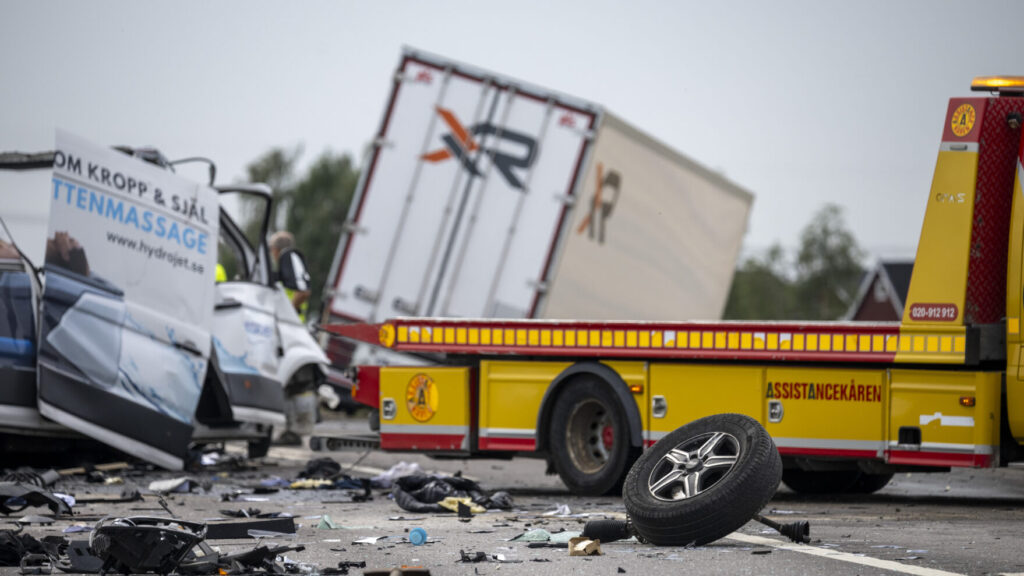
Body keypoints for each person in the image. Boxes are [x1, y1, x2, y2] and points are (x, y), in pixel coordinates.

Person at [269, 230, 316, 446]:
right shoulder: (290, 261)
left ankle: (294, 432)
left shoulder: (288, 257)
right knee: (291, 380)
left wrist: (287, 313)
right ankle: (291, 430)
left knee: (295, 381)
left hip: (291, 329)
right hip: (292, 329)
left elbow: (303, 291)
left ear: (276, 249)